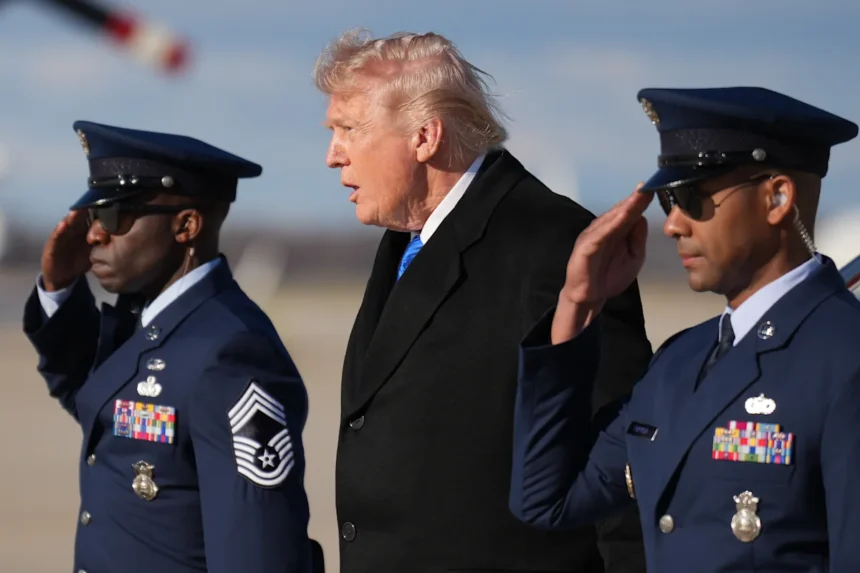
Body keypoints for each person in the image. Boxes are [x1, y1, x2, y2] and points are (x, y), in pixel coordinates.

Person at [313, 29, 653, 573]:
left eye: (348, 130)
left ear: (425, 136)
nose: (333, 156)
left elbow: (619, 455)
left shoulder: (552, 242)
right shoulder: (406, 240)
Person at [508, 87, 860, 572]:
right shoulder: (681, 362)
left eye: (693, 198)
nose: (673, 225)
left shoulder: (844, 359)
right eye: (668, 200)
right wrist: (577, 303)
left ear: (777, 197)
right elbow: (546, 499)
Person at [23, 121, 321, 573]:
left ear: (186, 226)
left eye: (113, 216)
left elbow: (256, 552)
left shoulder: (230, 352)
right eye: (91, 217)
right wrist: (60, 288)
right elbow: (98, 402)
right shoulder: (154, 325)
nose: (94, 235)